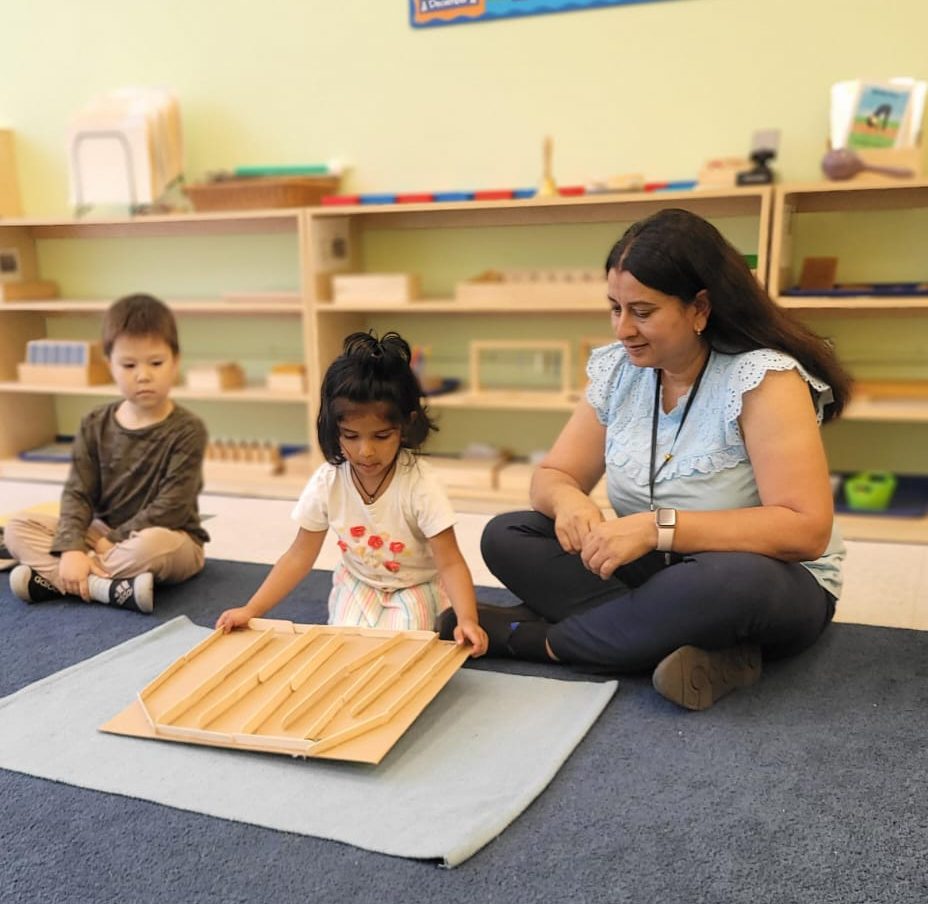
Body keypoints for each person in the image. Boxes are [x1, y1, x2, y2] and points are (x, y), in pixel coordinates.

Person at [440, 208, 852, 709]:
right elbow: (554, 474)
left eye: (642, 311)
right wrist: (569, 502)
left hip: (766, 580)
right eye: (614, 308)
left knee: (722, 587)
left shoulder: (764, 379)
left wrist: (657, 528)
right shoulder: (621, 371)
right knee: (508, 535)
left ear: (700, 308)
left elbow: (805, 530)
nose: (622, 329)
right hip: (657, 567)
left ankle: (532, 640)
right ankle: (688, 643)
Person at [216, 331, 488, 657]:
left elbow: (450, 562)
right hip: (358, 584)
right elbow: (299, 555)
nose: (366, 451)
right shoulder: (328, 481)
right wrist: (252, 609)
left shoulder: (420, 485)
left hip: (414, 586)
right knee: (345, 649)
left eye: (381, 435)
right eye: (351, 435)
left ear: (406, 424)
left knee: (402, 651)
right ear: (334, 428)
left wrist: (467, 618)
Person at [6, 293, 209, 613]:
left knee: (150, 546)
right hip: (101, 532)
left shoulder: (187, 429)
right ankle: (106, 588)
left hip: (171, 537)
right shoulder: (94, 423)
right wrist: (72, 546)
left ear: (175, 362)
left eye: (155, 363)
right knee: (18, 527)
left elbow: (172, 506)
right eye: (129, 365)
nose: (143, 375)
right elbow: (78, 492)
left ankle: (58, 579)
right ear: (110, 365)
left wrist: (109, 542)